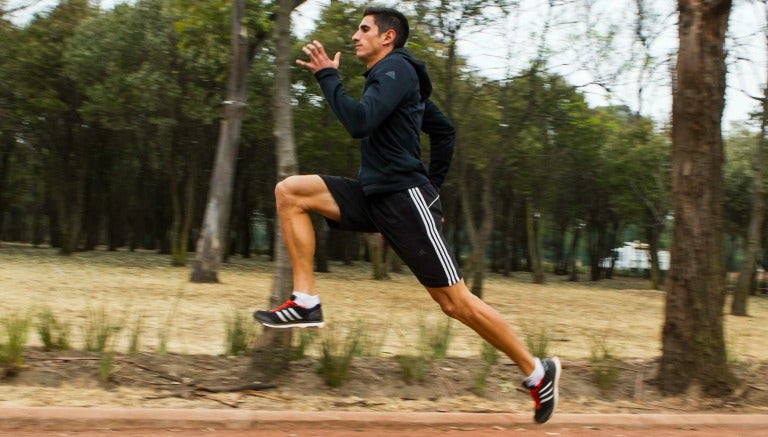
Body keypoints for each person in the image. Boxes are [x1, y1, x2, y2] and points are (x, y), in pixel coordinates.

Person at [253, 6, 561, 424]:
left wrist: (327, 76)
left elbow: (359, 122)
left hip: (402, 199)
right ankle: (306, 300)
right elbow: (442, 128)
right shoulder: (392, 82)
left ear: (388, 38)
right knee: (290, 192)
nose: (355, 36)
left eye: (364, 29)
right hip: (375, 196)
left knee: (455, 303)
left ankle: (537, 372)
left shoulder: (396, 70)